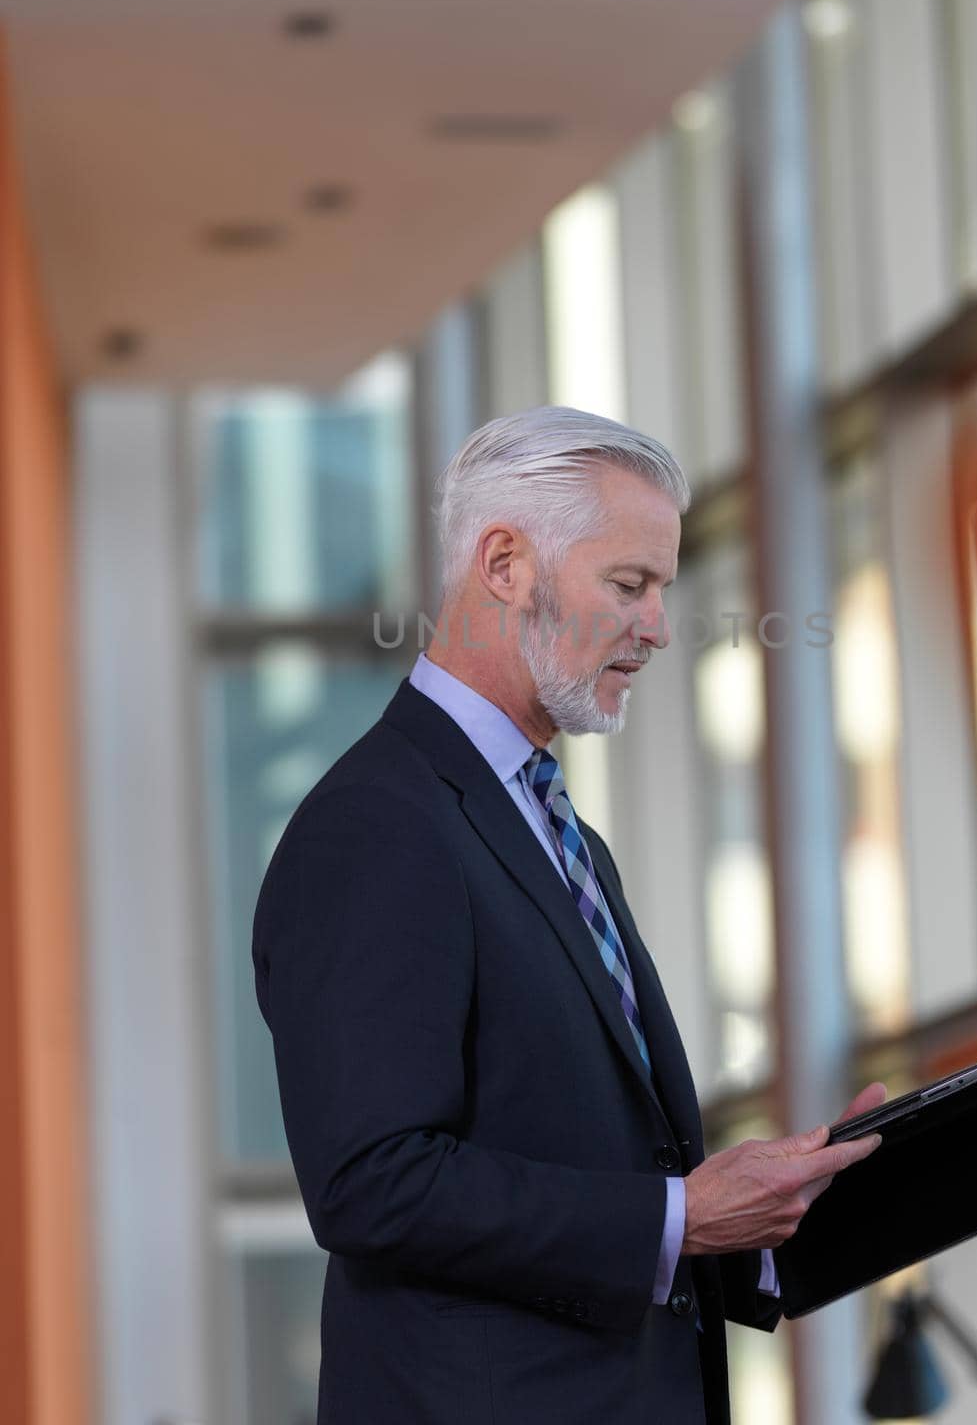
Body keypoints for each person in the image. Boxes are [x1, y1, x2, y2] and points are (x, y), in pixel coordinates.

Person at [252, 406, 884, 1424]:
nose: (660, 626)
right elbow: (373, 1181)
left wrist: (773, 1211)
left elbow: (590, 1164)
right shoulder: (377, 824)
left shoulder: (560, 834)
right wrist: (678, 1215)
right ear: (504, 563)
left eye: (663, 589)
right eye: (629, 584)